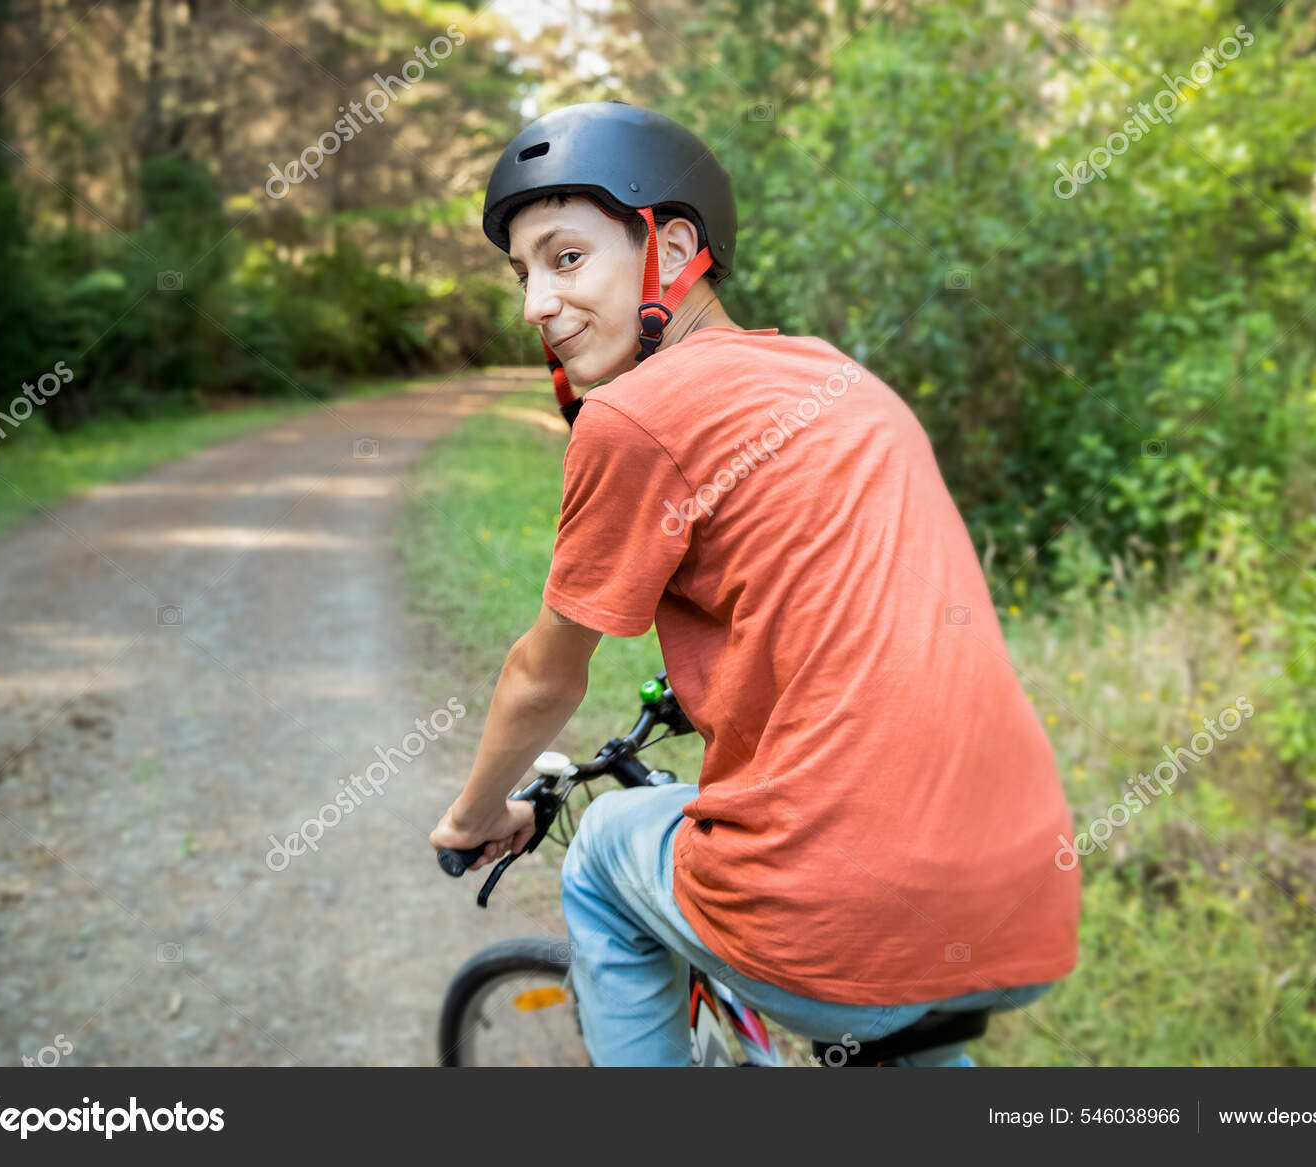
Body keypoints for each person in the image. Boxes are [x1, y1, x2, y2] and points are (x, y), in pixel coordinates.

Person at [430, 101, 1080, 1066]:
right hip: (1023, 901)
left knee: (607, 843)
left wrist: (476, 814)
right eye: (524, 274)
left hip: (837, 922)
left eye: (566, 258)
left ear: (673, 245)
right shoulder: (839, 380)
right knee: (898, 1033)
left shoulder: (636, 415)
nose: (535, 304)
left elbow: (544, 675)